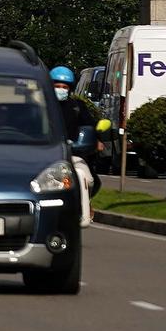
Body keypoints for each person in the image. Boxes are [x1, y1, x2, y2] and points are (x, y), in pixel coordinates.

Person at [52, 66, 96, 227]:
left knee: (87, 178)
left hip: (72, 153)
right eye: (57, 86)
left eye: (64, 87)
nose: (61, 89)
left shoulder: (77, 106)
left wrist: (95, 138)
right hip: (46, 154)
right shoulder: (41, 105)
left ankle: (85, 206)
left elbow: (89, 125)